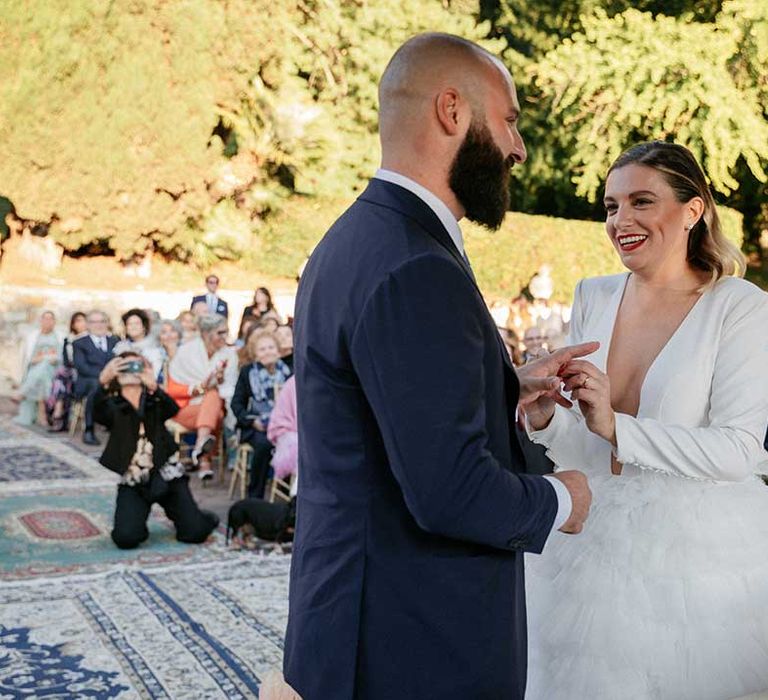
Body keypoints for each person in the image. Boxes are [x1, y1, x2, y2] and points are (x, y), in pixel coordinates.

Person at [282, 33, 594, 700]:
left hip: (354, 621)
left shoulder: (355, 238)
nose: (518, 148)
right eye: (509, 120)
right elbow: (449, 491)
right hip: (412, 645)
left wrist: (504, 384)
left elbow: (379, 410)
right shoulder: (418, 264)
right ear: (452, 111)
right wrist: (565, 497)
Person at [524, 141, 768, 699]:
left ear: (692, 210)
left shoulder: (740, 306)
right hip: (585, 543)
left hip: (695, 563)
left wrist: (618, 427)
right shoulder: (593, 294)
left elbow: (737, 449)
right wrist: (546, 423)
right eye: (610, 206)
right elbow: (588, 441)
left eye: (641, 201)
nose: (620, 221)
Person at [94, 352, 219, 549]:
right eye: (124, 367)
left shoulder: (154, 399)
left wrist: (153, 385)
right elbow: (95, 413)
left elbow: (172, 410)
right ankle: (136, 522)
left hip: (167, 475)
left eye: (137, 366)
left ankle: (199, 517)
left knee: (193, 533)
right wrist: (102, 382)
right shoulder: (112, 405)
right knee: (126, 539)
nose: (131, 371)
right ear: (115, 374)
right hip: (135, 479)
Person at [165, 314, 238, 480]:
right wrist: (201, 388)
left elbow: (230, 387)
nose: (225, 337)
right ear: (206, 333)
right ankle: (204, 456)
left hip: (212, 408)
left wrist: (219, 381)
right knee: (215, 404)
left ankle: (200, 449)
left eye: (226, 332)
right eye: (220, 333)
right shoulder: (185, 351)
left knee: (215, 401)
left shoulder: (229, 354)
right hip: (184, 408)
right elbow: (173, 390)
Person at [231, 330, 292, 498]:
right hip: (256, 425)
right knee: (265, 444)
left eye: (271, 347)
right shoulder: (247, 372)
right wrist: (251, 421)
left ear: (278, 350)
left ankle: (288, 493)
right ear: (255, 355)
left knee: (293, 442)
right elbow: (236, 404)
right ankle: (255, 496)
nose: (268, 352)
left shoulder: (288, 372)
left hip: (283, 424)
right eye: (262, 349)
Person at [72, 310, 118, 445]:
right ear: (87, 324)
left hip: (113, 381)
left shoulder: (115, 341)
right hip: (87, 382)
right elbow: (82, 367)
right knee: (95, 385)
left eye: (102, 321)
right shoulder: (79, 343)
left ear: (107, 323)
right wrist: (104, 376)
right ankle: (89, 429)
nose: (98, 325)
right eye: (94, 322)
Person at [14, 310, 61, 426]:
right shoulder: (33, 337)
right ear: (41, 321)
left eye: (50, 319)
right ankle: (42, 415)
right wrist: (38, 359)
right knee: (42, 372)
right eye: (45, 319)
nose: (48, 321)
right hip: (35, 368)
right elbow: (28, 358)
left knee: (44, 367)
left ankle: (23, 392)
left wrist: (47, 359)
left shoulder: (59, 337)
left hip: (54, 368)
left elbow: (61, 357)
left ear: (54, 322)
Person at [46, 311, 87, 432]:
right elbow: (65, 360)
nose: (81, 324)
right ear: (73, 324)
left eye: (83, 320)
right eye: (77, 321)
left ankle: (57, 412)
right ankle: (58, 410)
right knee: (62, 377)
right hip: (70, 373)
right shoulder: (68, 339)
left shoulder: (90, 339)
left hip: (82, 375)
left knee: (61, 378)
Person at [113, 308, 163, 379]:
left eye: (137, 323)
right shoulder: (119, 347)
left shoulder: (154, 348)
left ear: (144, 327)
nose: (133, 327)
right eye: (129, 324)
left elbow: (155, 375)